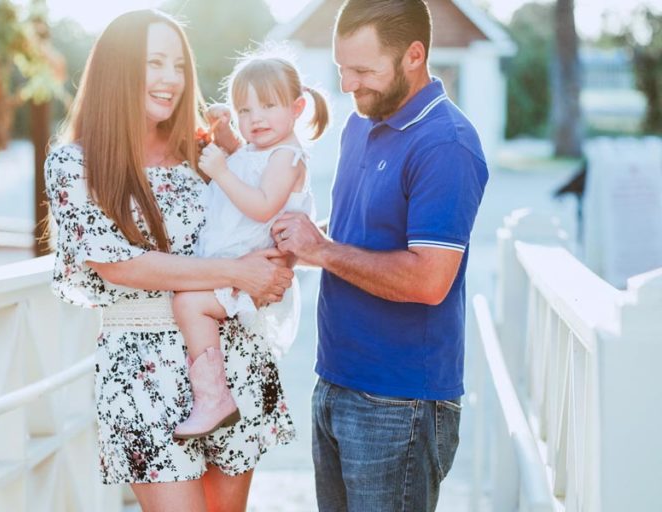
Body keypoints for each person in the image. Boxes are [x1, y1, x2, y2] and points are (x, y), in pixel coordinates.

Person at [44, 10, 296, 512]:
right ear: (118, 70)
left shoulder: (203, 156)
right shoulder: (75, 164)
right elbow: (120, 265)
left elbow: (266, 206)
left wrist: (275, 262)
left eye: (178, 65)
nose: (171, 80)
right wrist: (239, 271)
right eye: (154, 63)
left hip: (233, 362)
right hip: (141, 372)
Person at [271, 1, 489, 510]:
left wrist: (321, 250)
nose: (347, 85)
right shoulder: (360, 123)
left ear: (415, 56)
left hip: (399, 403)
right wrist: (294, 246)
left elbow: (428, 278)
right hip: (335, 381)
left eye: (363, 70)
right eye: (342, 68)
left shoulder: (446, 144)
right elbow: (354, 238)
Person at [172, 55, 328, 440]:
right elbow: (245, 157)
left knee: (188, 303)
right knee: (188, 301)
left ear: (297, 108)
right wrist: (227, 132)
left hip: (252, 269)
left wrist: (220, 172)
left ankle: (213, 399)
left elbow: (261, 206)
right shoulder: (263, 148)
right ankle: (213, 395)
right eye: (245, 109)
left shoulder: (287, 158)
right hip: (236, 263)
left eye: (268, 105)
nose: (255, 117)